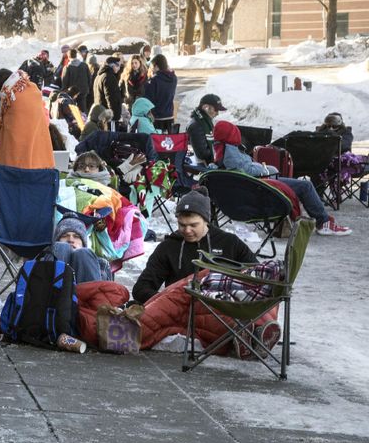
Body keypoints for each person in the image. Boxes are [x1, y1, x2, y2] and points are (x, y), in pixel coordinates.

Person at [212, 121, 353, 236]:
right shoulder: (230, 152)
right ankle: (323, 222)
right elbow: (246, 170)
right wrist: (266, 168)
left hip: (253, 186)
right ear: (232, 134)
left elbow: (239, 169)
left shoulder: (221, 149)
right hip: (260, 187)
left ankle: (322, 220)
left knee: (300, 185)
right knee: (305, 186)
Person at [132, 187, 256, 303]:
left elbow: (259, 276)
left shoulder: (229, 243)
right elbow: (141, 288)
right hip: (179, 310)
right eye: (182, 225)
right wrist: (169, 302)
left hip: (219, 311)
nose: (187, 230)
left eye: (193, 225)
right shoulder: (169, 247)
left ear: (206, 221)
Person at [49, 216, 112, 283]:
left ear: (83, 242)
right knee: (61, 248)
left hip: (87, 291)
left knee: (83, 254)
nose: (71, 240)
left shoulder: (101, 264)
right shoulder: (44, 258)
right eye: (64, 236)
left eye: (76, 237)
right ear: (57, 240)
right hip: (52, 290)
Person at [186, 93, 223, 166]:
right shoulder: (196, 126)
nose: (217, 113)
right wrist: (220, 150)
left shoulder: (204, 121)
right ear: (205, 107)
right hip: (204, 165)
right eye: (216, 110)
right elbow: (202, 154)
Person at [145, 54, 177, 132]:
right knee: (168, 142)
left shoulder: (154, 80)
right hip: (170, 115)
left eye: (152, 66)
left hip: (157, 116)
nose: (151, 69)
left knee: (157, 141)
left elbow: (148, 99)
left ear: (156, 66)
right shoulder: (173, 78)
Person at [94, 55, 124, 128]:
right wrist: (114, 116)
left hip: (101, 112)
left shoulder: (99, 76)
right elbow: (111, 98)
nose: (119, 68)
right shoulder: (109, 77)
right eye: (118, 66)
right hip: (108, 116)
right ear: (113, 65)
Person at [61, 48, 93, 113]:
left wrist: (64, 90)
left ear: (68, 56)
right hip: (84, 90)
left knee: (73, 110)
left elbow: (64, 81)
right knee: (82, 108)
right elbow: (89, 78)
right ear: (76, 55)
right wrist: (88, 87)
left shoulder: (67, 67)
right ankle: (83, 120)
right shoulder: (84, 65)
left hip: (72, 92)